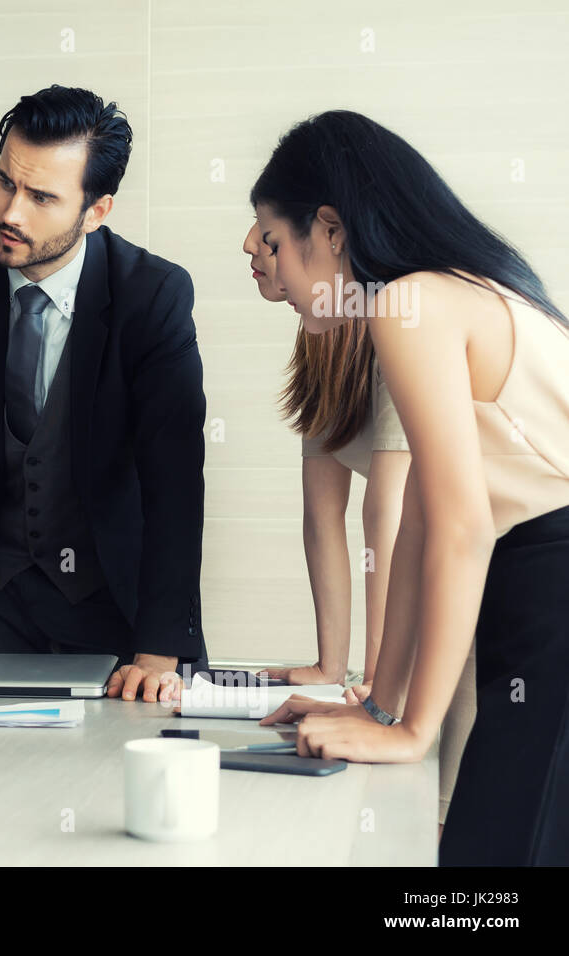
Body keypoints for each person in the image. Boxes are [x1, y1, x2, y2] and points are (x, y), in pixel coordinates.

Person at [252, 110, 569, 866]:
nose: (266, 267)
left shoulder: (407, 305)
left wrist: (412, 731)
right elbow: (425, 520)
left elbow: (463, 529)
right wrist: (383, 704)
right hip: (536, 589)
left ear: (329, 229)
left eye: (272, 239)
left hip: (551, 589)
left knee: (488, 873)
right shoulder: (456, 290)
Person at [0, 85, 208, 703]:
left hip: (120, 602)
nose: (11, 211)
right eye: (5, 182)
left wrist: (160, 648)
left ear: (97, 210)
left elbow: (176, 481)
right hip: (1, 599)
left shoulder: (153, 296)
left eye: (42, 197)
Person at [244, 221, 477, 836]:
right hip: (422, 591)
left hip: (469, 598)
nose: (249, 245)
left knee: (448, 815)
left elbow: (391, 515)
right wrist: (331, 666)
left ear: (329, 237)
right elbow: (322, 512)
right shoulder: (322, 336)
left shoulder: (401, 324)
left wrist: (377, 685)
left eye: (267, 234)